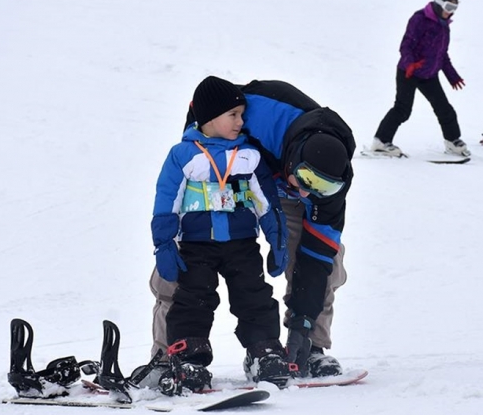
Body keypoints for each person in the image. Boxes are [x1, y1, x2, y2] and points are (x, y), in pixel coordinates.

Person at [150, 79, 355, 379]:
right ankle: (167, 356)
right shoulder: (256, 115)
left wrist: (303, 321)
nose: (313, 192)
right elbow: (205, 110)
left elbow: (320, 249)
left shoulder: (328, 182)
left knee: (326, 263)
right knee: (181, 269)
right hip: (228, 181)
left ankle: (311, 348)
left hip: (278, 192)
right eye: (309, 180)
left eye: (323, 186)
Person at [149, 76, 292, 391]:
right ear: (209, 118)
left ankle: (264, 352)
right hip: (196, 246)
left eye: (242, 114)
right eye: (233, 115)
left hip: (241, 244)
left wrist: (276, 238)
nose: (241, 121)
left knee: (253, 296)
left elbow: (267, 202)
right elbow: (166, 200)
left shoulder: (249, 155)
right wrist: (164, 244)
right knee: (193, 299)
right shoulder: (183, 155)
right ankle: (188, 358)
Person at [370, 0, 470, 158]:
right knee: (402, 109)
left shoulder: (444, 26)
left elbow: (442, 54)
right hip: (409, 72)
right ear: (439, 4)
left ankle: (453, 141)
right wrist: (410, 64)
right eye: (448, 7)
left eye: (454, 8)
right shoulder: (419, 19)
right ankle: (380, 142)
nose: (450, 12)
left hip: (429, 75)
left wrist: (452, 76)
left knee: (444, 109)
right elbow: (406, 44)